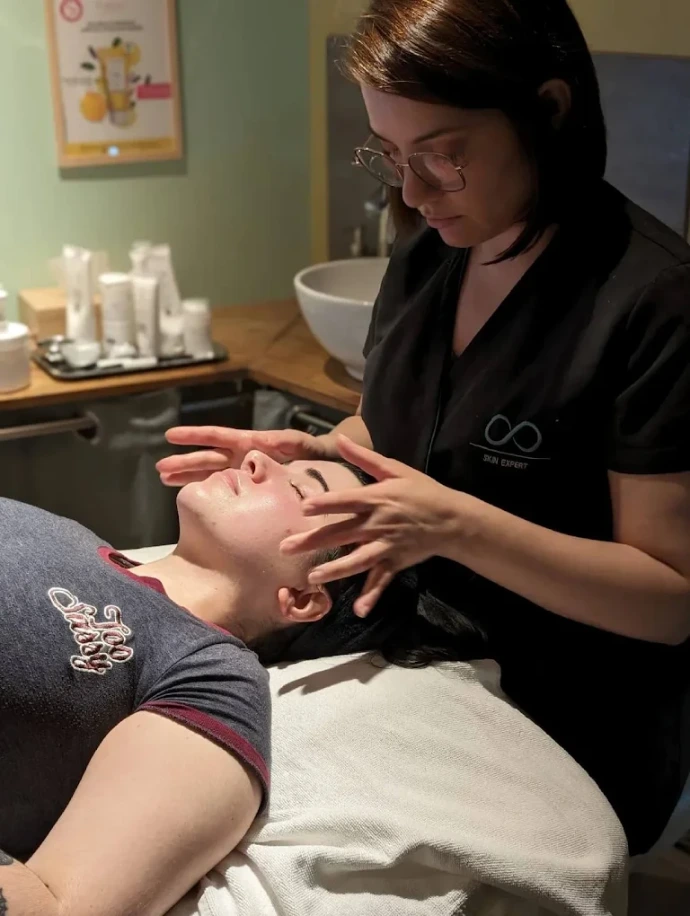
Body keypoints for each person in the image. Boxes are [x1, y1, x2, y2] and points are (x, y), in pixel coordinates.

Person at [156, 0, 690, 856]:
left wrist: (457, 524)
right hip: (414, 664)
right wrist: (326, 450)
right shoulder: (430, 248)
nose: (410, 191)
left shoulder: (651, 302)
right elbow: (402, 423)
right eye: (390, 157)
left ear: (548, 110)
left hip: (569, 723)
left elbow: (668, 598)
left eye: (441, 155)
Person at [0, 452, 480, 916]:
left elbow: (58, 904)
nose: (256, 457)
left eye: (298, 487)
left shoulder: (213, 677)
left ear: (304, 596)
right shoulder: (69, 533)